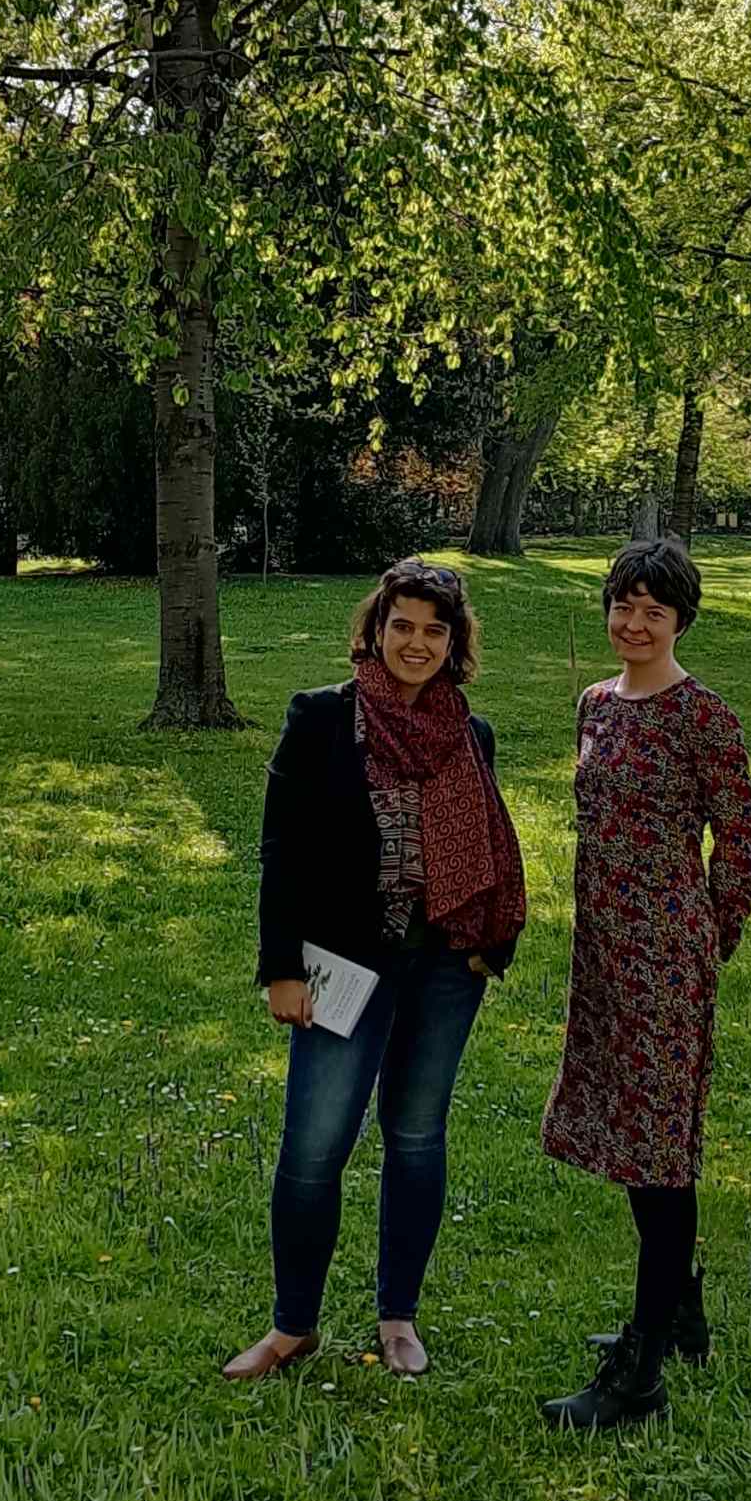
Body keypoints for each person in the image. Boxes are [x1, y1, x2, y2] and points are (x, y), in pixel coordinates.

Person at [226, 559, 527, 1383]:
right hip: (340, 965)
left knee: (418, 1137)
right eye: (404, 625)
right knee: (315, 1147)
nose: (418, 643)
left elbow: (492, 850)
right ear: (376, 628)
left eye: (436, 629)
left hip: (442, 966)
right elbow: (282, 852)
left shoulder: (472, 733)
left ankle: (399, 1319)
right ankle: (293, 1327)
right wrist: (280, 970)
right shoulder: (323, 718)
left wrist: (482, 945)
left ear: (455, 641)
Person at [539, 537, 751, 1430]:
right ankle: (681, 1314)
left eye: (653, 612)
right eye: (623, 606)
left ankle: (640, 1377)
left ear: (681, 621)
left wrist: (708, 938)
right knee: (636, 1139)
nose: (634, 625)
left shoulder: (702, 715)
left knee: (661, 1152)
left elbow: (738, 837)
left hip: (667, 958)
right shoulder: (595, 705)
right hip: (602, 958)